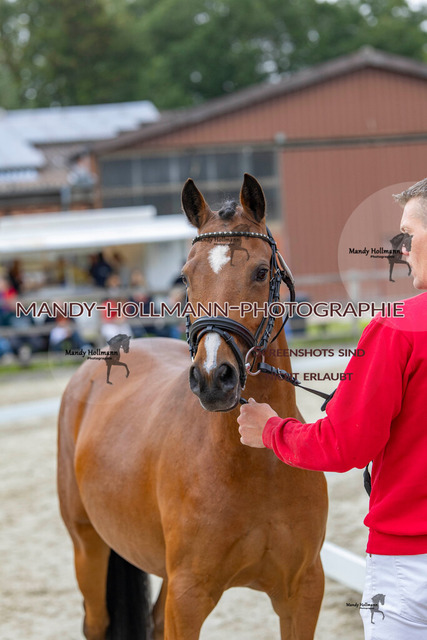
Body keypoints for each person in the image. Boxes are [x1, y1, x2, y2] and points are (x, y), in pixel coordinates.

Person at [237, 177, 427, 640]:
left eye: (409, 233)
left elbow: (344, 446)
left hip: (410, 562)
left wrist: (271, 430)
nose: (401, 248)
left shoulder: (397, 329)